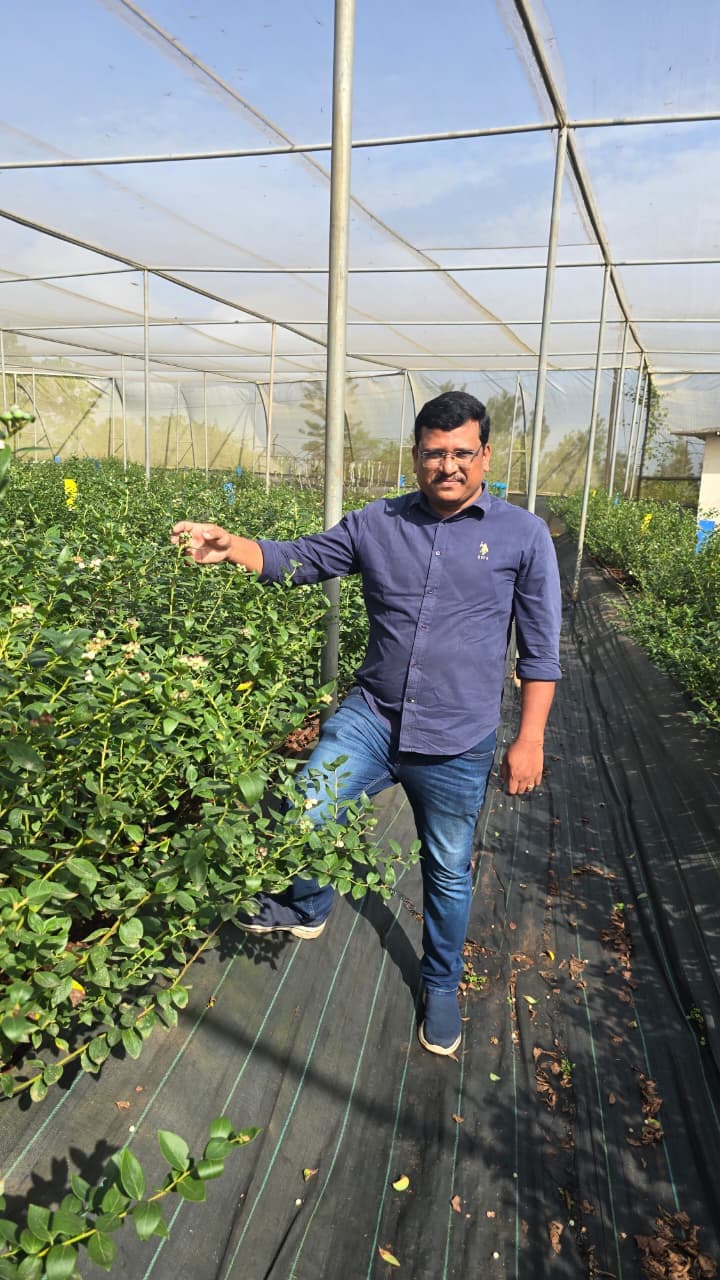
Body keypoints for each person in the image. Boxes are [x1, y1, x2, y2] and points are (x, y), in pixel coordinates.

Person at [171, 391, 562, 1057]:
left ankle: (440, 983)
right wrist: (232, 546)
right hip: (373, 716)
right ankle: (307, 905)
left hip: (457, 739)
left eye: (461, 453)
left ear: (486, 455)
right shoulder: (376, 522)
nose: (447, 465)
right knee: (307, 807)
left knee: (447, 869)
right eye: (434, 453)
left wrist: (530, 738)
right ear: (416, 456)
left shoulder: (523, 536)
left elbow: (541, 651)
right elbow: (300, 559)